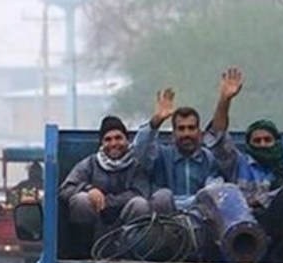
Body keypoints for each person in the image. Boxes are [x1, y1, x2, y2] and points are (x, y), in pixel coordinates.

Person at [132, 68, 245, 210]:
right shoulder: (161, 156)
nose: (186, 133)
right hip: (165, 220)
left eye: (191, 128)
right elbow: (139, 152)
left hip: (201, 219)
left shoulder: (209, 159)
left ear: (200, 133)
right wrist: (156, 122)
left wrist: (224, 100)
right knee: (163, 196)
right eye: (181, 129)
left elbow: (218, 136)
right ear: (173, 134)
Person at [59, 116, 172, 245]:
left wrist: (106, 202)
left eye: (118, 138)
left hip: (127, 224)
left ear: (126, 140)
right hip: (96, 225)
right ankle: (83, 253)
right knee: (81, 200)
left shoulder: (136, 164)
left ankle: (132, 254)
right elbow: (65, 189)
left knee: (140, 204)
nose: (113, 144)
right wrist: (90, 190)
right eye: (108, 139)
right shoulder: (90, 164)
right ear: (101, 143)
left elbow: (140, 192)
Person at [218, 117, 283, 263]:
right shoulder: (238, 164)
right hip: (238, 226)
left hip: (270, 226)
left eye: (267, 140)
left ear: (276, 142)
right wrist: (224, 101)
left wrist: (261, 200)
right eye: (257, 141)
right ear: (249, 144)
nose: (262, 145)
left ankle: (278, 258)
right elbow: (218, 141)